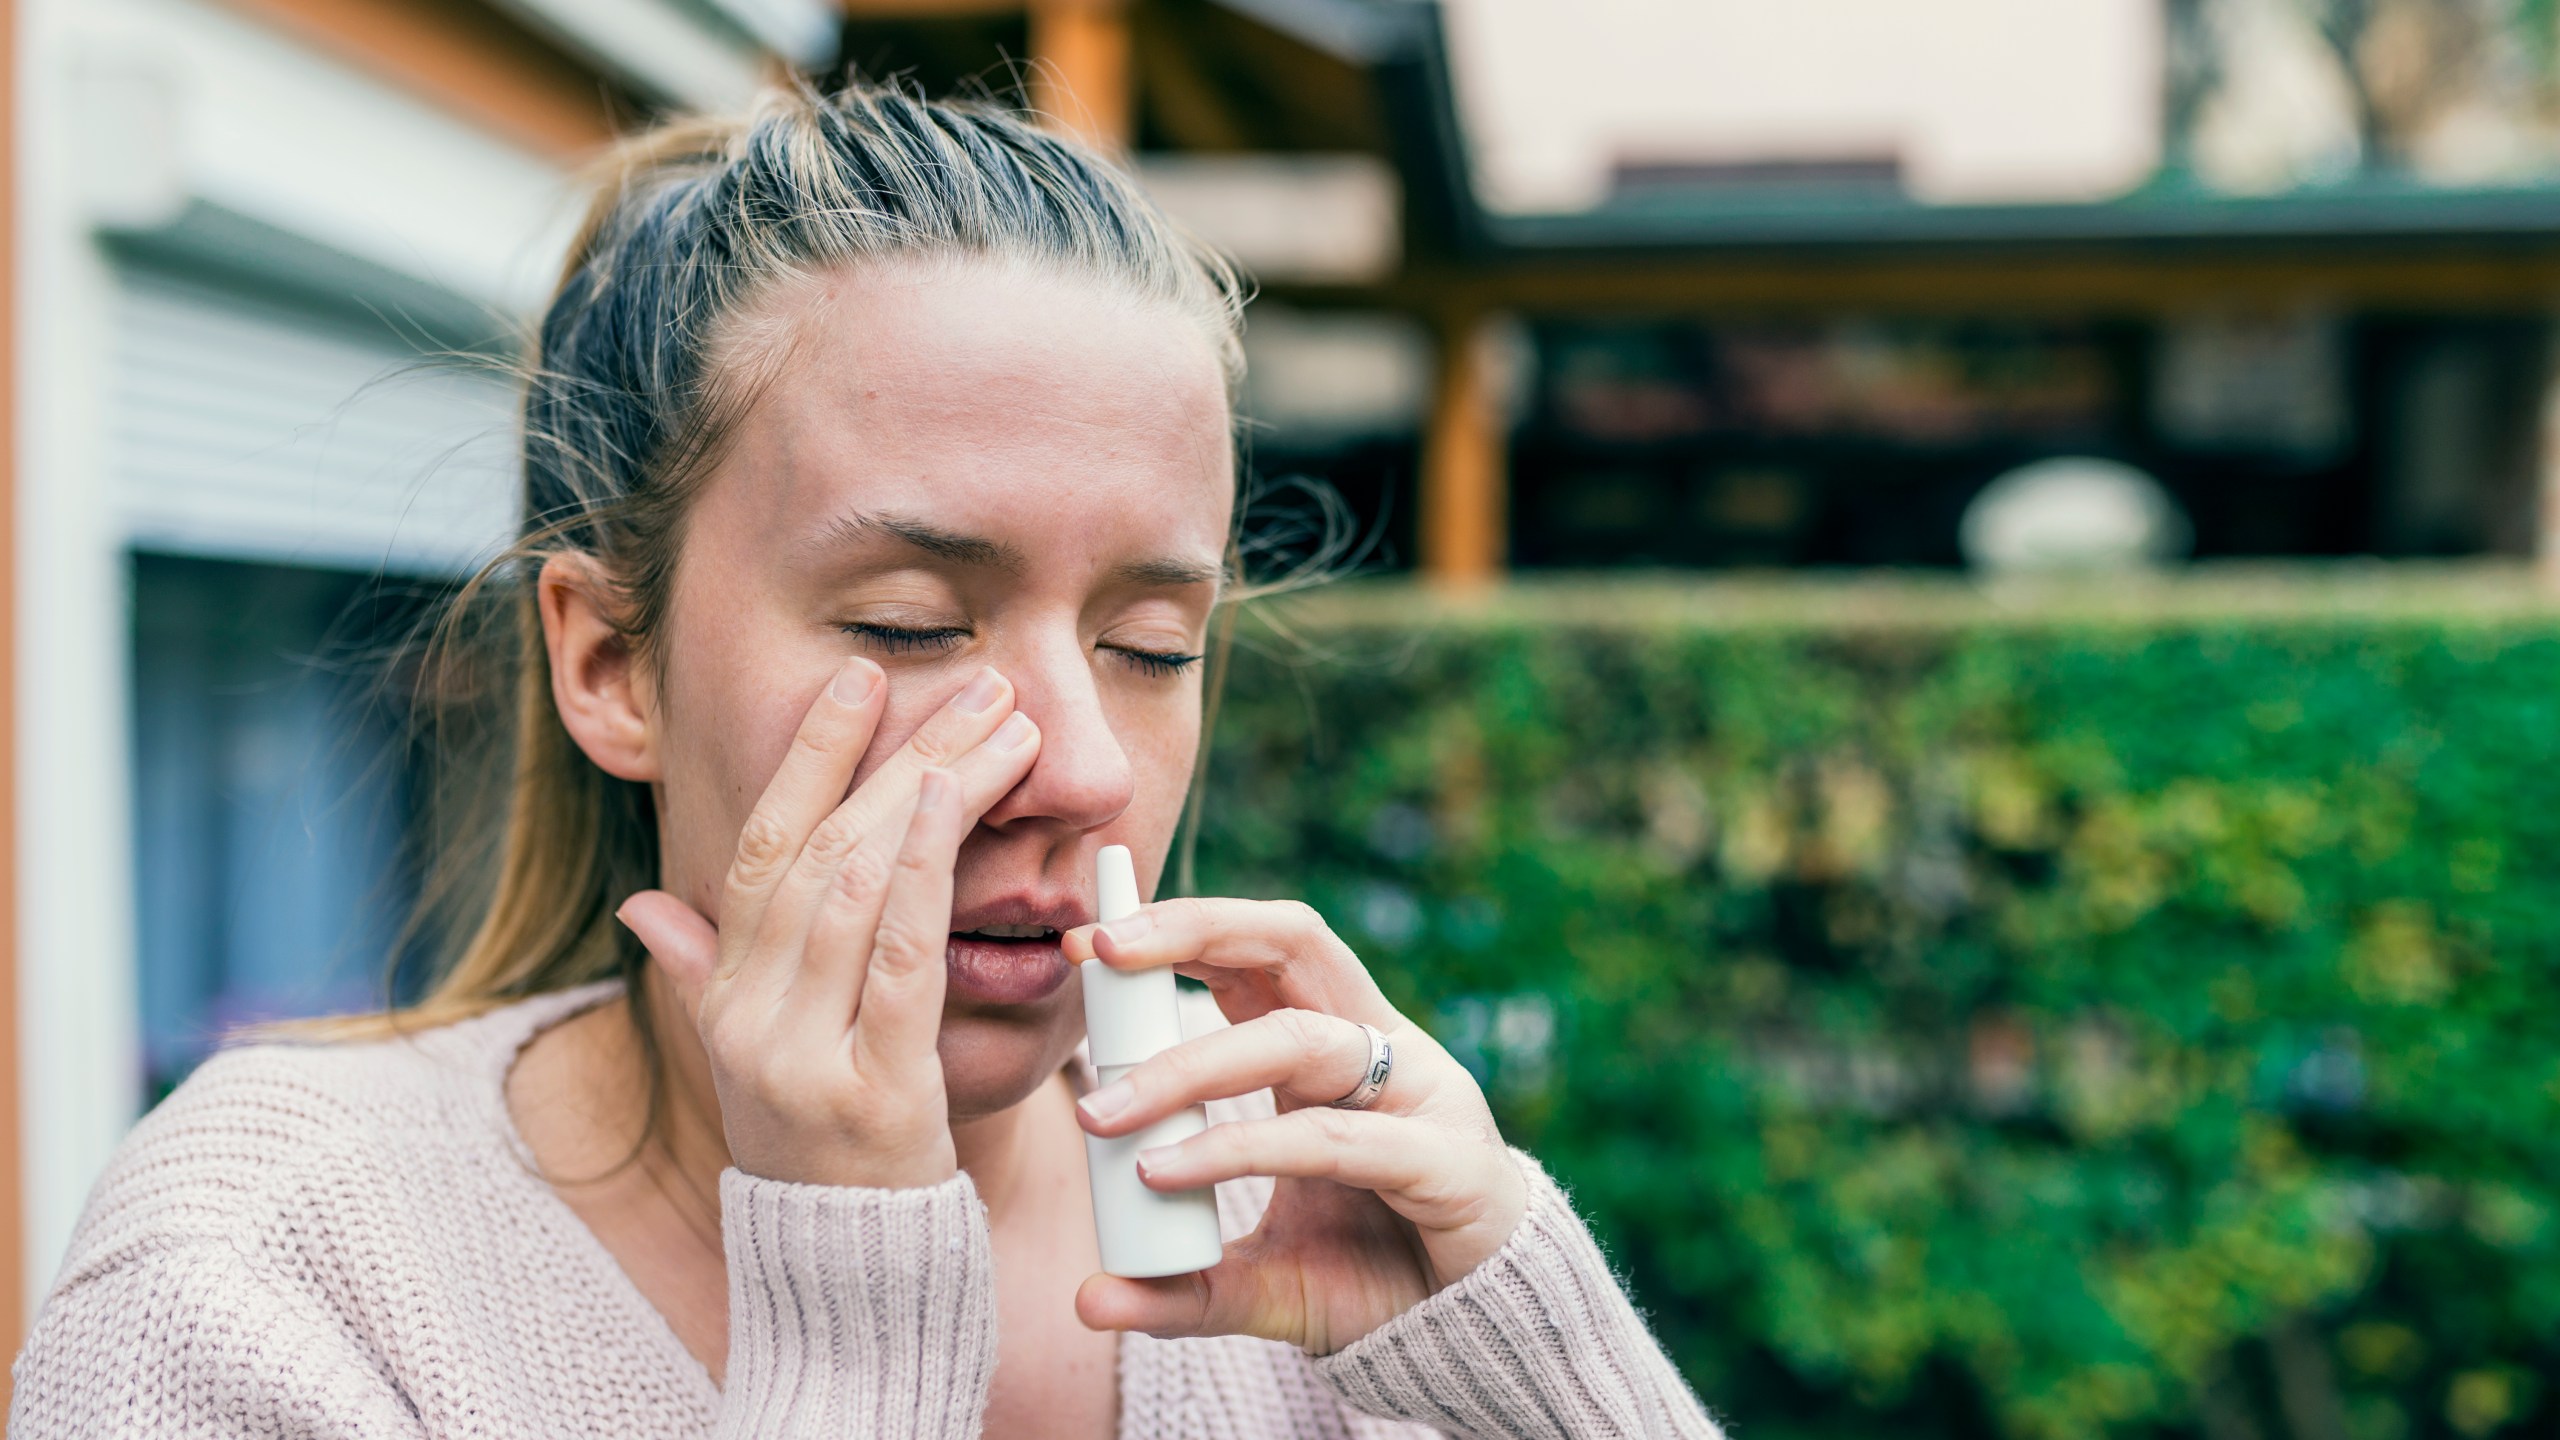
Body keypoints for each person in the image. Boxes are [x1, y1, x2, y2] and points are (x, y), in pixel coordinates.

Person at [11, 82, 1720, 1439]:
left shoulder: (1299, 1220)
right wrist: (851, 1322)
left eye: (1151, 648)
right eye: (910, 623)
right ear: (611, 665)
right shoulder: (269, 1281)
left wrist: (1530, 1355)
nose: (1079, 768)